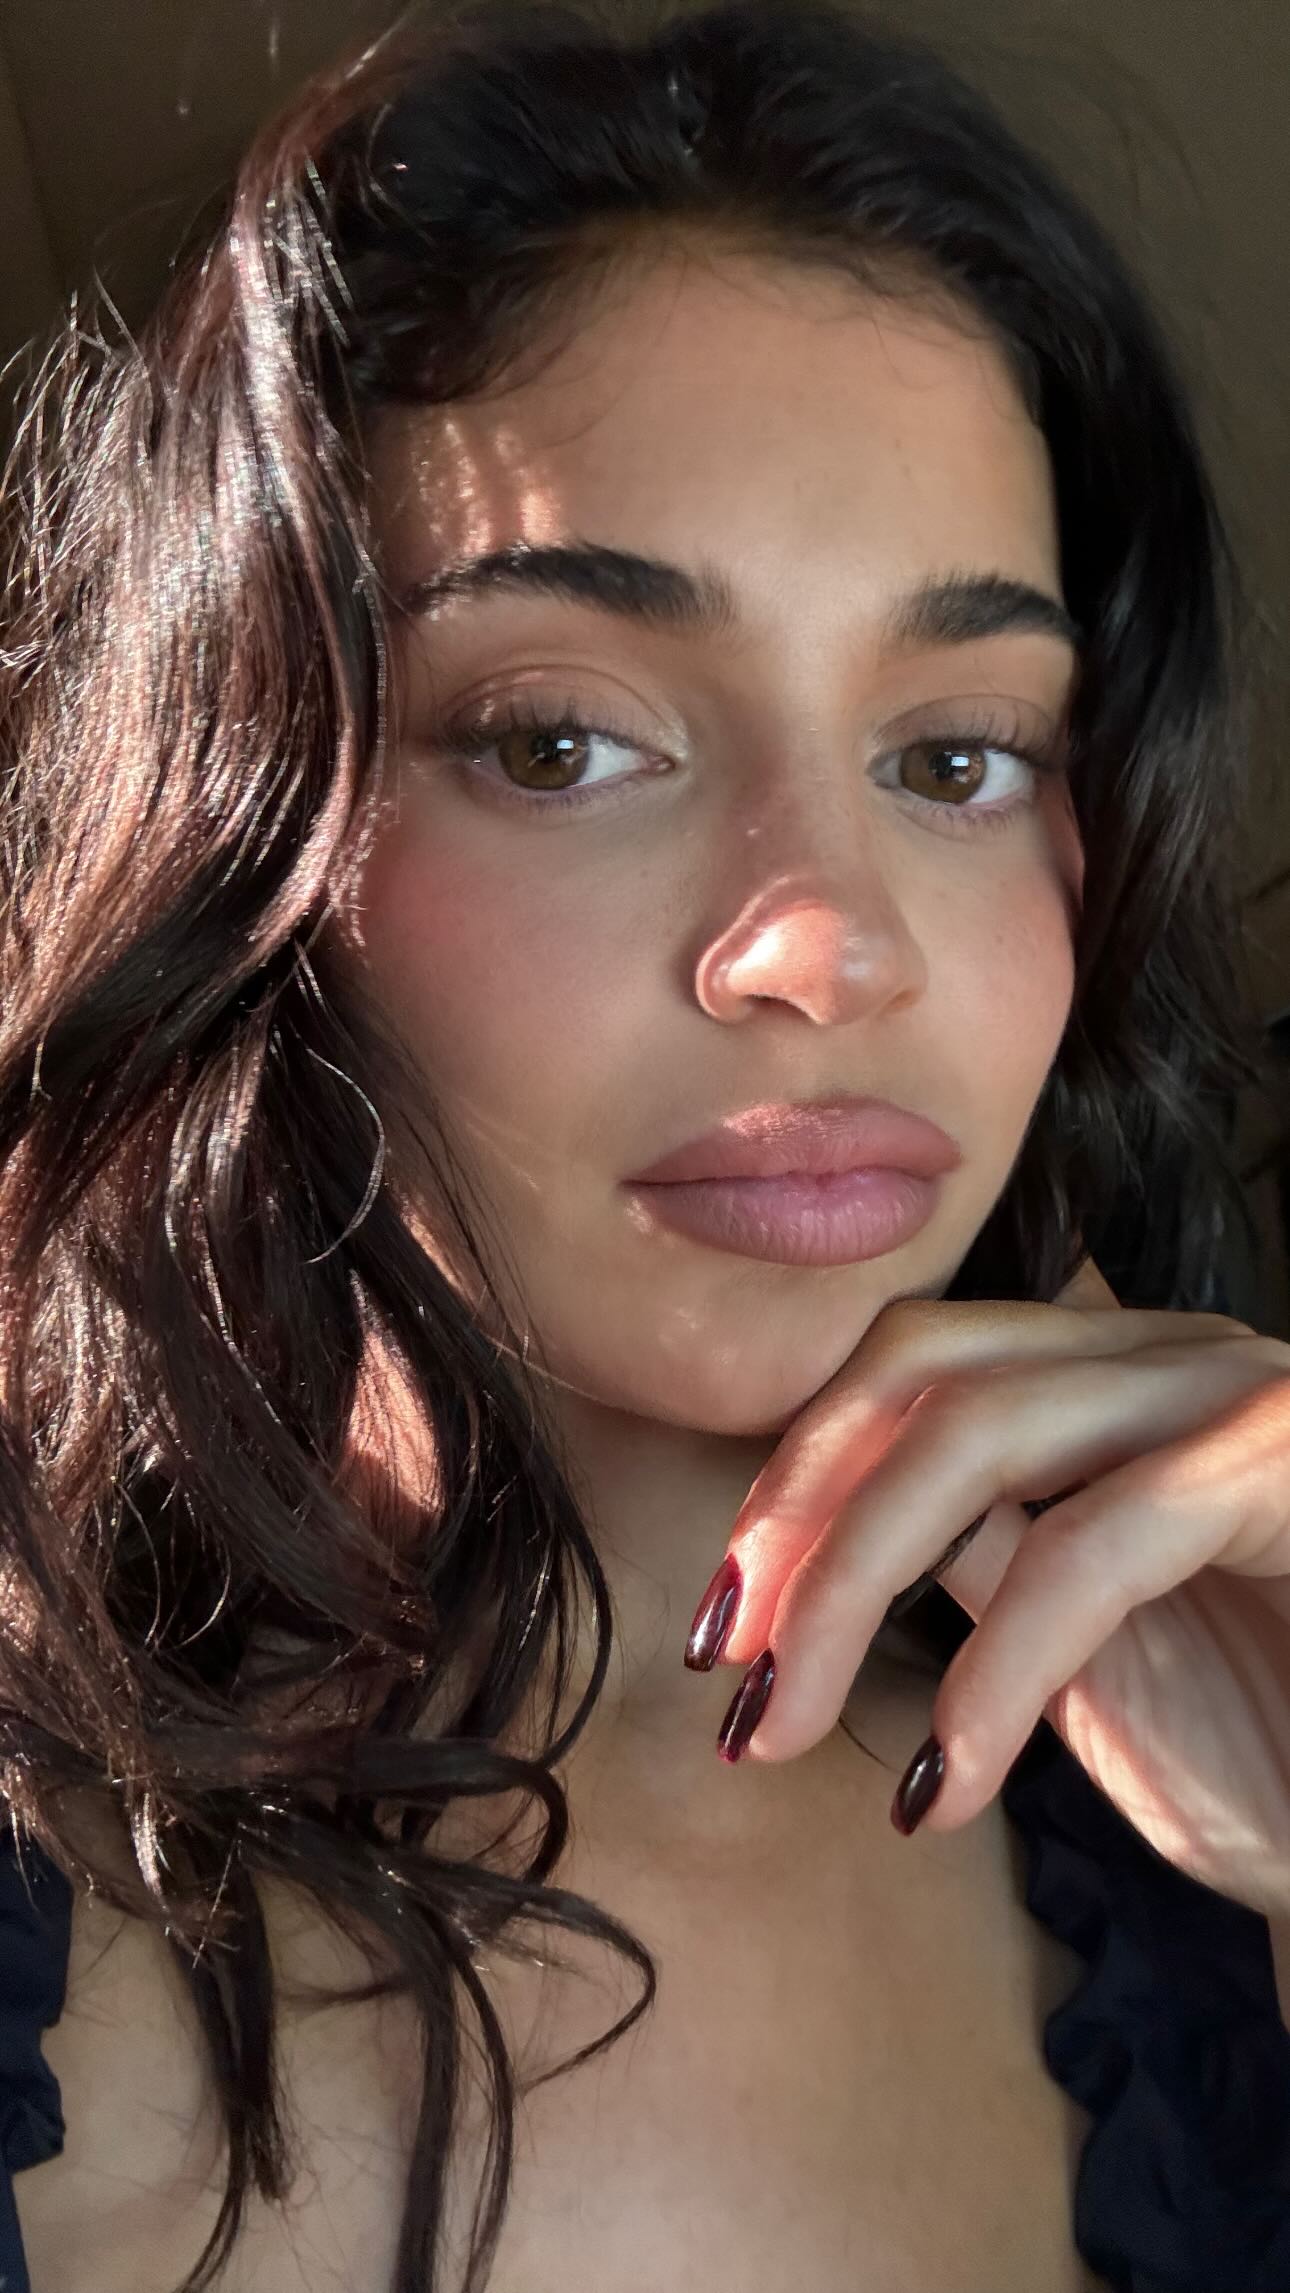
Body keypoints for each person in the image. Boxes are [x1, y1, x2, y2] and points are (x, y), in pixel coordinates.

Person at [2, 2, 1289, 2287]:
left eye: (961, 755)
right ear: (242, 834)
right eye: (562, 740)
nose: (829, 943)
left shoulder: (1211, 1827)